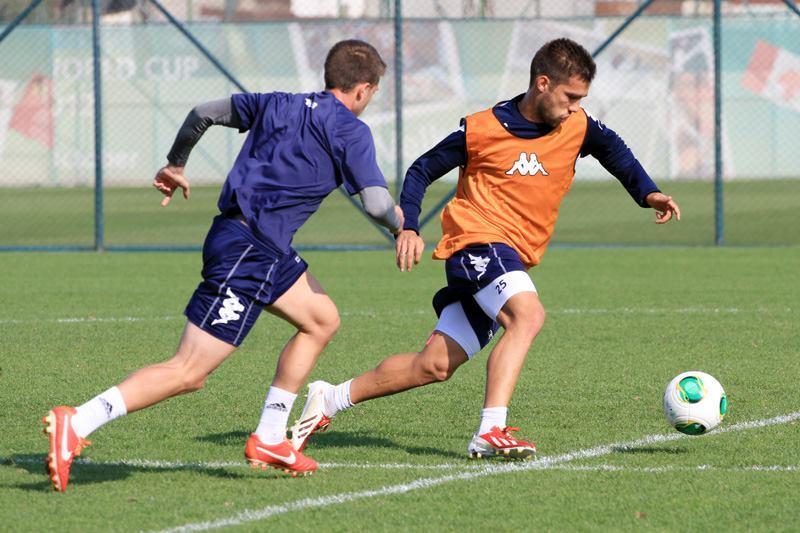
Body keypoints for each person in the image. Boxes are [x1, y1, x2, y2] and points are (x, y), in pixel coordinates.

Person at [289, 38, 681, 460]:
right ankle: (490, 431)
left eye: (581, 99)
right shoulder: (482, 129)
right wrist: (410, 226)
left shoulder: (578, 126)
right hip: (477, 242)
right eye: (570, 97)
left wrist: (648, 193)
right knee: (528, 316)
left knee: (435, 365)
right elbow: (421, 170)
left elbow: (614, 151)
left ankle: (330, 398)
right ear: (543, 83)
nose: (575, 107)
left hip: (512, 257)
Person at [42, 39, 403, 491]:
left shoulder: (276, 103)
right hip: (248, 251)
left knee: (321, 319)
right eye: (372, 92)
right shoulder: (352, 130)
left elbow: (203, 113)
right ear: (364, 90)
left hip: (257, 245)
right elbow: (376, 204)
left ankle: (270, 437)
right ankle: (78, 421)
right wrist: (400, 224)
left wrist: (176, 163)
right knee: (189, 371)